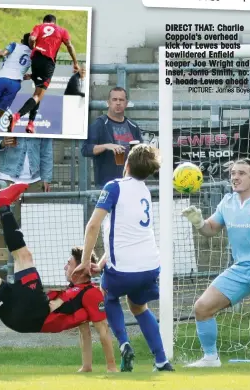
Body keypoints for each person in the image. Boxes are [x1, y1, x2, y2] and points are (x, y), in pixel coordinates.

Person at [0, 183, 117, 373]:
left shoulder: (91, 293)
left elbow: (102, 329)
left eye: (69, 263)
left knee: (24, 257)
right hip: (16, 318)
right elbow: (84, 331)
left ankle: (3, 204)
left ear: (82, 267)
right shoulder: (72, 290)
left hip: (35, 314)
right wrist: (87, 366)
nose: (65, 266)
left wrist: (111, 366)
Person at [73, 144, 174, 372]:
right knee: (138, 307)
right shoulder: (145, 190)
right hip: (149, 266)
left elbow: (93, 226)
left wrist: (84, 262)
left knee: (108, 297)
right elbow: (122, 235)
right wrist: (99, 264)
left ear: (126, 165)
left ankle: (125, 344)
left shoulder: (114, 186)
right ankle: (161, 360)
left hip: (123, 270)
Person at [182, 158, 250, 368]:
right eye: (233, 173)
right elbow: (210, 230)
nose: (235, 177)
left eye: (242, 173)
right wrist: (199, 223)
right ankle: (210, 359)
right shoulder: (227, 202)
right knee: (202, 307)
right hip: (241, 267)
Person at [8, 14, 79, 134]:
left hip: (35, 59)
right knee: (39, 95)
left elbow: (31, 39)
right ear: (54, 23)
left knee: (38, 91)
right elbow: (69, 46)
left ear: (44, 21)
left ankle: (31, 123)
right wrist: (75, 63)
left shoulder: (38, 27)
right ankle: (17, 116)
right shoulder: (62, 30)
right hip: (48, 63)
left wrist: (32, 49)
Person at [81, 87, 143, 189]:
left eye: (121, 100)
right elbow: (85, 149)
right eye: (114, 100)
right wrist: (106, 146)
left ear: (126, 103)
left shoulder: (133, 126)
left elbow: (141, 156)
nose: (118, 103)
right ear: (108, 103)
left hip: (130, 185)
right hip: (107, 186)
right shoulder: (100, 124)